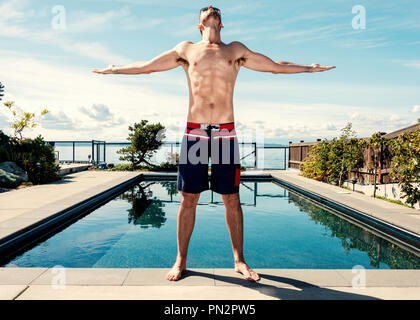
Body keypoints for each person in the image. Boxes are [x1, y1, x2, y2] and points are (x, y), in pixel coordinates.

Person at [93, 5, 335, 282]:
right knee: (188, 199)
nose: (210, 8)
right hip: (195, 132)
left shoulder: (235, 50)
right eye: (206, 10)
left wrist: (308, 68)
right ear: (199, 24)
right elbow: (147, 67)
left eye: (215, 10)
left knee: (231, 198)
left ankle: (239, 261)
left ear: (222, 24)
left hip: (225, 133)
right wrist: (114, 69)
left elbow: (276, 67)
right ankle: (181, 260)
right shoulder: (186, 50)